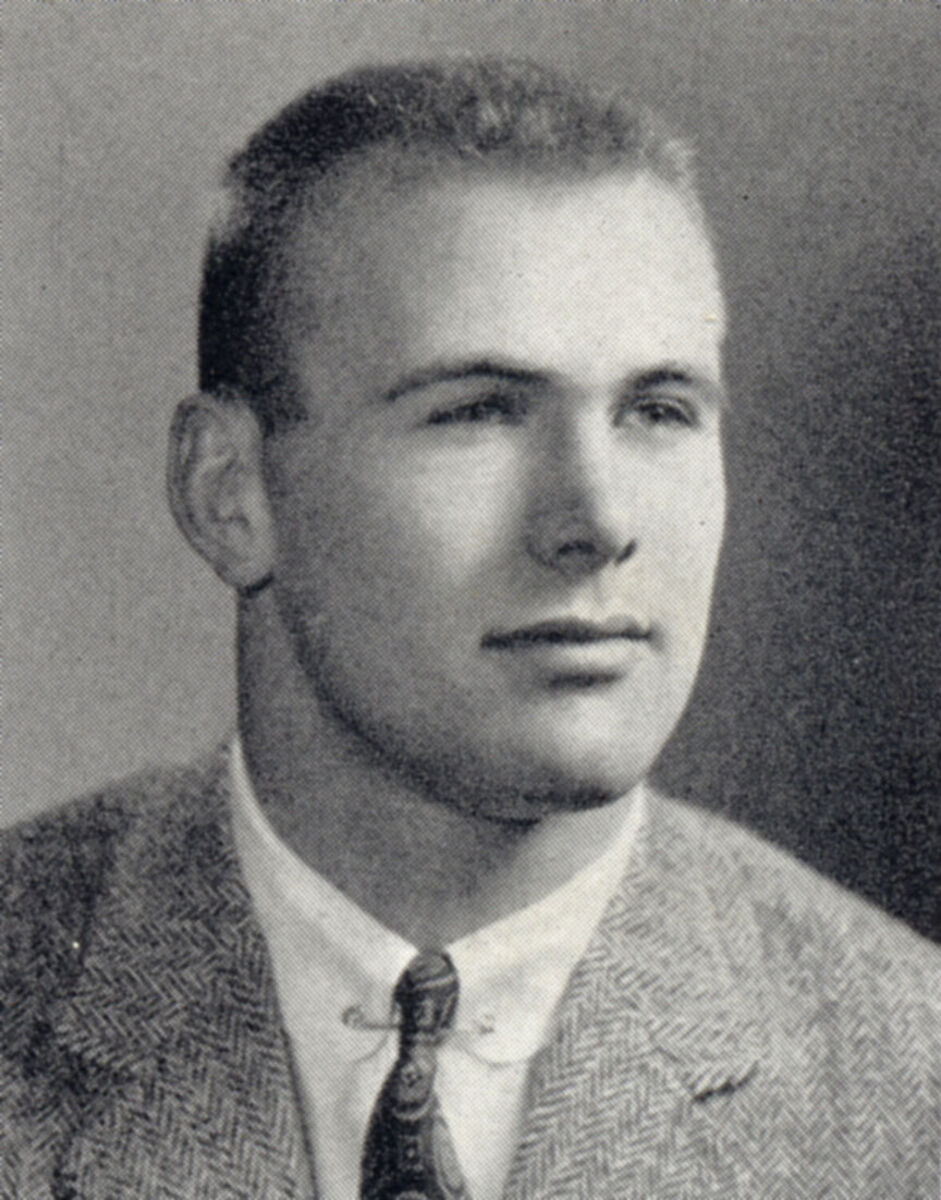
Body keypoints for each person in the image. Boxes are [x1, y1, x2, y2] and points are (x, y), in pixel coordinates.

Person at [1, 58, 937, 1200]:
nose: (596, 523)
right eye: (479, 412)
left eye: (657, 411)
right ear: (228, 493)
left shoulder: (911, 1082)